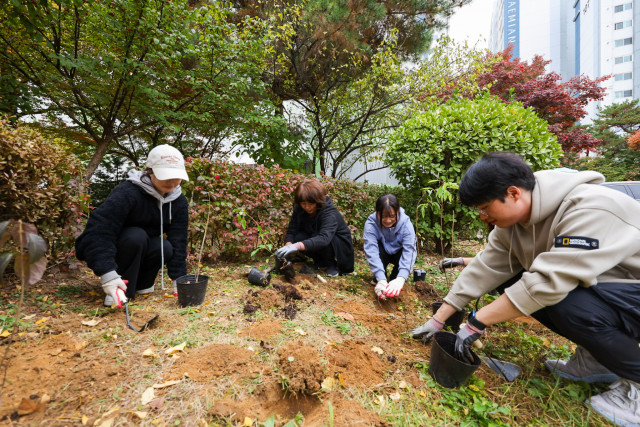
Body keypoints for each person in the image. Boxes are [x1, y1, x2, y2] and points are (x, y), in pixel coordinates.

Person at [411, 152, 640, 426]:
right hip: (607, 291)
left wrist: (475, 324)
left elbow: (548, 283)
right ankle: (597, 359)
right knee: (517, 282)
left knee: (563, 300)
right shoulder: (513, 223)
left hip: (633, 292)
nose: (483, 217)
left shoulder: (589, 208)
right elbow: (486, 267)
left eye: (485, 208)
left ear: (513, 193)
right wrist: (439, 318)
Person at [76, 145, 189, 307]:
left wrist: (180, 278)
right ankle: (120, 287)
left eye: (176, 176)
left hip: (144, 248)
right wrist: (107, 272)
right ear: (150, 171)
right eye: (166, 175)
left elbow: (179, 239)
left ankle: (143, 283)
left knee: (164, 246)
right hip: (120, 247)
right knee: (135, 236)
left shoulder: (178, 201)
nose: (171, 181)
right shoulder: (127, 193)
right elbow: (99, 231)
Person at [275, 179, 354, 277]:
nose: (307, 207)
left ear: (318, 201)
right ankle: (320, 261)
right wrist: (288, 247)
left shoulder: (329, 212)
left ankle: (331, 264)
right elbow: (292, 230)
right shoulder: (299, 208)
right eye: (303, 204)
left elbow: (324, 238)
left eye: (311, 204)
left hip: (337, 245)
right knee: (298, 237)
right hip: (316, 236)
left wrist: (297, 246)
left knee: (321, 238)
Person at [363, 194, 417, 299]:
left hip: (398, 253)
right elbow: (371, 250)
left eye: (392, 216)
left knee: (396, 278)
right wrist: (381, 278)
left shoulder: (406, 224)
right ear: (377, 213)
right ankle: (380, 278)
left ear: (398, 212)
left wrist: (401, 278)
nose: (388, 220)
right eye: (383, 216)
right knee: (378, 251)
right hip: (382, 252)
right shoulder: (371, 223)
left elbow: (409, 251)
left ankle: (396, 277)